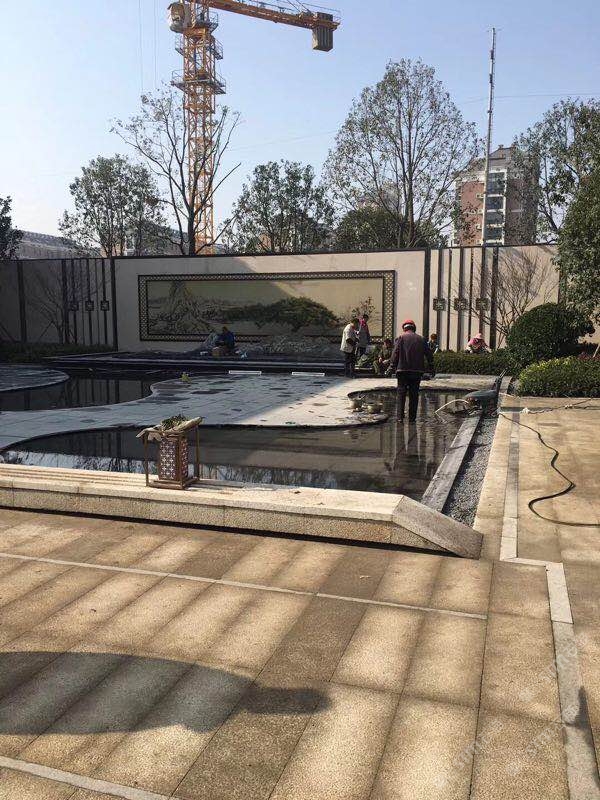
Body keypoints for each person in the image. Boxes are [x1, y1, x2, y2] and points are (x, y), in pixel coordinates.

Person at [390, 319, 435, 422]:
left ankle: (400, 418)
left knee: (401, 394)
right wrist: (431, 367)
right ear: (414, 328)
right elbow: (429, 355)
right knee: (414, 395)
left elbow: (395, 353)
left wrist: (391, 366)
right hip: (416, 371)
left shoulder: (400, 338)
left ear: (404, 328)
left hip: (402, 370)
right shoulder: (421, 339)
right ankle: (412, 418)